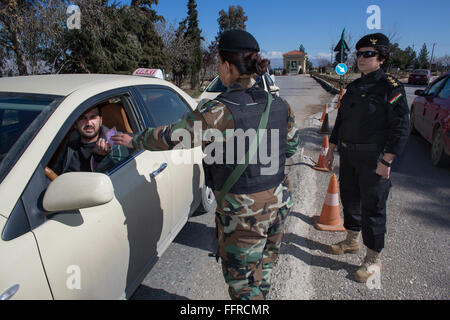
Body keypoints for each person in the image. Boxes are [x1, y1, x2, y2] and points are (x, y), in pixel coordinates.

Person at [112, 30, 300, 300]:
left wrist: (135, 139)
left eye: (218, 62)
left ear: (226, 65)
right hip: (280, 199)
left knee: (243, 286)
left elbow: (173, 138)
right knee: (264, 266)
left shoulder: (218, 111)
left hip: (244, 212)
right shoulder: (279, 104)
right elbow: (291, 147)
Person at [324, 33, 410, 282]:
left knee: (373, 208)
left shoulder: (391, 87)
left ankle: (373, 259)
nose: (360, 58)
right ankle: (352, 241)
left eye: (367, 54)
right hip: (349, 156)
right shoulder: (354, 86)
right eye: (359, 54)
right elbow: (341, 121)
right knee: (350, 199)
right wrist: (331, 149)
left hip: (374, 160)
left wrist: (387, 160)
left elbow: (401, 127)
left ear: (381, 58)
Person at [51, 105, 132, 175]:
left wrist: (100, 159)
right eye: (83, 118)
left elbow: (119, 178)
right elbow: (56, 170)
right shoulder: (72, 138)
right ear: (75, 124)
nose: (88, 123)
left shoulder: (115, 142)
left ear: (100, 121)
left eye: (93, 117)